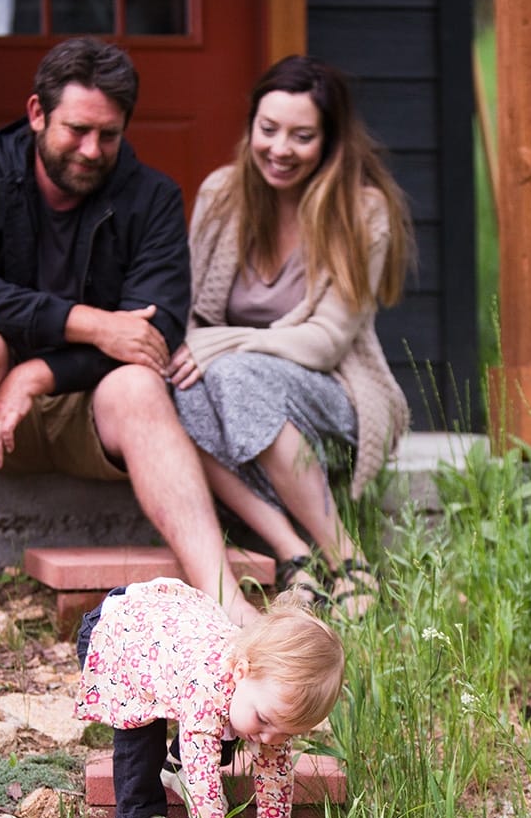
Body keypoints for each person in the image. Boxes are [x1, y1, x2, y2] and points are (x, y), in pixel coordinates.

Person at [0, 37, 257, 637]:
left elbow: (154, 332)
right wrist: (89, 322)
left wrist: (40, 372)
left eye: (109, 134)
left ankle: (226, 599)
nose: (91, 149)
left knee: (136, 383)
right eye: (76, 129)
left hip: (90, 418)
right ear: (36, 113)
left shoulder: (151, 196)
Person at [167, 54, 413, 619]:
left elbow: (326, 341)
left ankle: (345, 556)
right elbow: (191, 312)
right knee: (165, 388)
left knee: (230, 372)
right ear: (251, 126)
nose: (281, 149)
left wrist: (226, 344)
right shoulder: (221, 195)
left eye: (302, 136)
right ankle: (292, 551)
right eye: (268, 129)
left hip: (334, 390)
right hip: (236, 388)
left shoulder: (361, 208)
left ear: (329, 141)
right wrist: (203, 348)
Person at [75, 577, 344, 818]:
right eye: (264, 719)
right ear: (241, 672)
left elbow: (274, 762)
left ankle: (175, 767)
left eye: (286, 732)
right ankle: (137, 815)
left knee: (232, 721)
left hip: (169, 637)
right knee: (144, 728)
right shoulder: (208, 686)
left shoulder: (263, 699)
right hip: (118, 633)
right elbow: (203, 763)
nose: (269, 737)